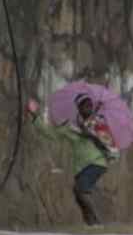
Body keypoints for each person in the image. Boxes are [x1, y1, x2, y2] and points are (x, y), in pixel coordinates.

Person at [26, 94, 116, 227]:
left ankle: (96, 222)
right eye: (85, 106)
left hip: (97, 162)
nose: (89, 109)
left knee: (80, 190)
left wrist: (92, 134)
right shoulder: (70, 127)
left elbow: (108, 141)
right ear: (79, 108)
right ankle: (90, 224)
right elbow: (50, 133)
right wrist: (34, 116)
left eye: (90, 106)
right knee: (77, 192)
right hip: (80, 166)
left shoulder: (98, 123)